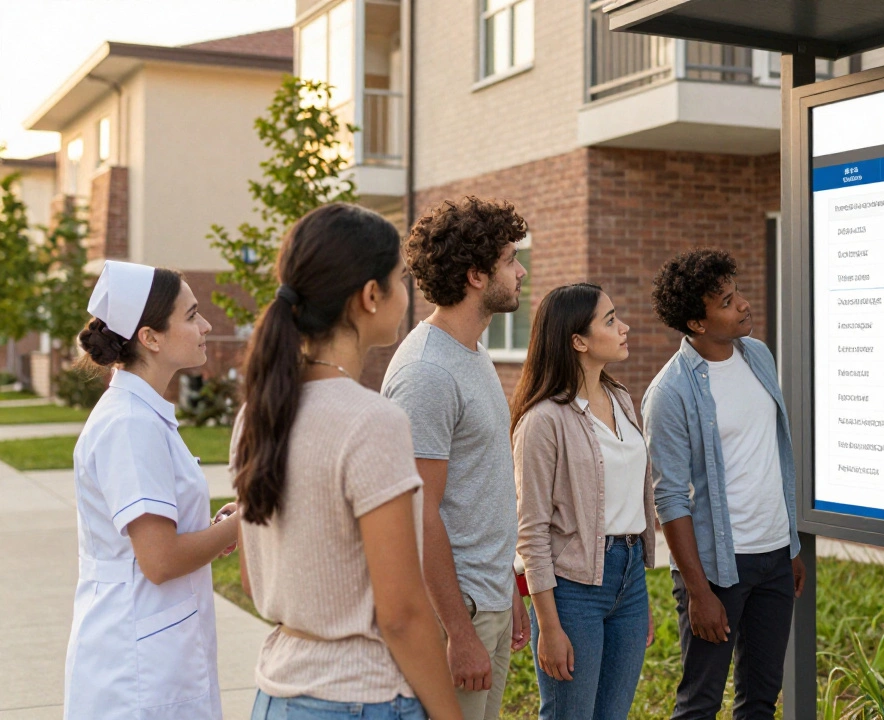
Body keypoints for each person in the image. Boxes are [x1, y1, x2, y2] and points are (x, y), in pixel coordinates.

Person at [232, 203, 461, 720]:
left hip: (276, 696)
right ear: (370, 295)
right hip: (362, 699)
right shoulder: (371, 421)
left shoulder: (257, 414)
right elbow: (401, 612)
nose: (409, 296)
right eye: (401, 281)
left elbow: (253, 580)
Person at [65, 260, 236, 719]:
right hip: (136, 671)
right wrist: (246, 523)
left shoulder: (141, 415)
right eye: (191, 314)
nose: (206, 325)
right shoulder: (129, 424)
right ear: (151, 337)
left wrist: (215, 528)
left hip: (154, 650)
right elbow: (160, 561)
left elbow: (161, 539)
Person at [382, 196, 530, 720]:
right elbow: (417, 516)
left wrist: (504, 586)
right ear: (475, 275)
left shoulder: (471, 352)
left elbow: (477, 487)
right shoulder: (427, 373)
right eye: (511, 259)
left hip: (482, 598)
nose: (521, 271)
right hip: (454, 614)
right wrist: (462, 629)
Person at [642, 248, 806, 720]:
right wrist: (699, 593)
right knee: (700, 703)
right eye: (728, 302)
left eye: (737, 294)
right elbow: (669, 498)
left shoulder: (757, 356)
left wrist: (789, 545)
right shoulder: (670, 393)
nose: (743, 305)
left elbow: (770, 455)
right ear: (696, 322)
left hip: (774, 558)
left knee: (760, 700)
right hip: (718, 569)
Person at [511, 283, 657, 720]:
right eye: (610, 321)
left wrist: (638, 595)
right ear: (578, 341)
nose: (624, 327)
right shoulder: (543, 421)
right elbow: (531, 530)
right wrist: (549, 627)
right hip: (572, 590)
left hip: (629, 578)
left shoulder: (621, 399)